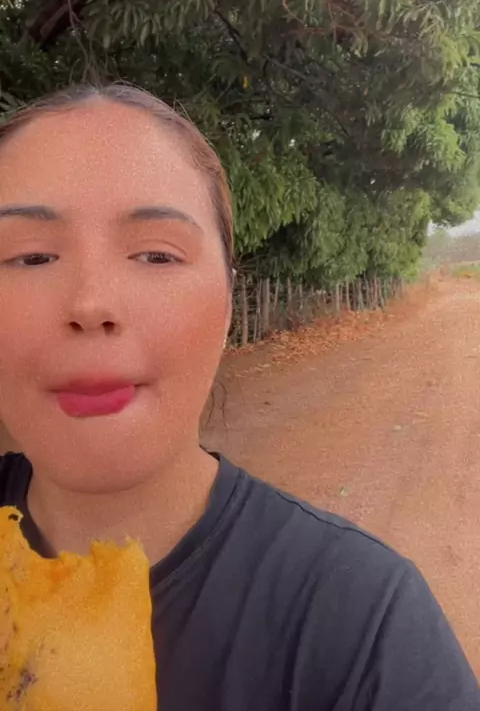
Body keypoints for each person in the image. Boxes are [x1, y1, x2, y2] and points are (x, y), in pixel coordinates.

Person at [0, 83, 478, 711]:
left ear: (228, 303)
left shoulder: (366, 630)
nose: (91, 304)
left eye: (155, 255)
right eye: (32, 258)